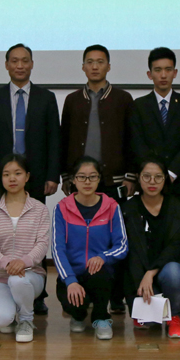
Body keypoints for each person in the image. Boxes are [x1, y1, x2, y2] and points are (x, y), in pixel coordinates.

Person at [0, 43, 60, 316]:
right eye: (14, 61)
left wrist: (52, 175)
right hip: (1, 177)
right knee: (2, 231)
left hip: (36, 176)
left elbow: (54, 139)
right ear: (6, 65)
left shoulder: (46, 98)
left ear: (32, 64)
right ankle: (2, 284)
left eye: (25, 60)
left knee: (34, 236)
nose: (20, 65)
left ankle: (37, 294)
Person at [60, 45, 135, 314]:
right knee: (79, 240)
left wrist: (131, 176)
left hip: (114, 181)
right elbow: (64, 139)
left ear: (108, 66)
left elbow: (132, 139)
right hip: (80, 182)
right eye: (90, 62)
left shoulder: (123, 98)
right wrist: (66, 176)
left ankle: (115, 296)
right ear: (83, 67)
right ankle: (83, 291)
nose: (95, 66)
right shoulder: (72, 100)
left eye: (100, 62)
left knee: (114, 241)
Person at [51, 157, 129, 340]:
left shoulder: (111, 206)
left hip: (99, 273)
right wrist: (70, 280)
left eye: (92, 176)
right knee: (74, 304)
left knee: (100, 273)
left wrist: (103, 257)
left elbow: (122, 245)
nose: (87, 182)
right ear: (73, 180)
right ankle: (78, 316)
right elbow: (57, 249)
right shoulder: (62, 208)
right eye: (82, 177)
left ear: (99, 179)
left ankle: (102, 318)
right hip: (73, 273)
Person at [0, 154, 51, 343]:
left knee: (18, 281)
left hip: (30, 275)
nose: (12, 178)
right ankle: (9, 311)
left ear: (27, 177)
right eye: (6, 174)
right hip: (0, 277)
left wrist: (23, 262)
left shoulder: (39, 209)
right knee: (1, 320)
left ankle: (26, 320)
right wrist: (7, 263)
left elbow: (42, 244)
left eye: (17, 173)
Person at [122, 157, 180, 338]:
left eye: (158, 177)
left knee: (174, 271)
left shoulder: (179, 209)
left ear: (165, 179)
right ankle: (145, 307)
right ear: (138, 178)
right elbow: (132, 252)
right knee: (148, 323)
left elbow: (175, 247)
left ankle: (173, 316)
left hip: (165, 268)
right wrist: (143, 277)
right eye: (147, 176)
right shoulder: (127, 209)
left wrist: (151, 273)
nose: (152, 182)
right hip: (137, 271)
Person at [130, 47, 180, 202]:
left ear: (175, 73)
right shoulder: (139, 105)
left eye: (168, 69)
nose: (163, 75)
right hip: (149, 182)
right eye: (158, 70)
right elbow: (137, 142)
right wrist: (154, 174)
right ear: (149, 74)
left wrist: (172, 173)